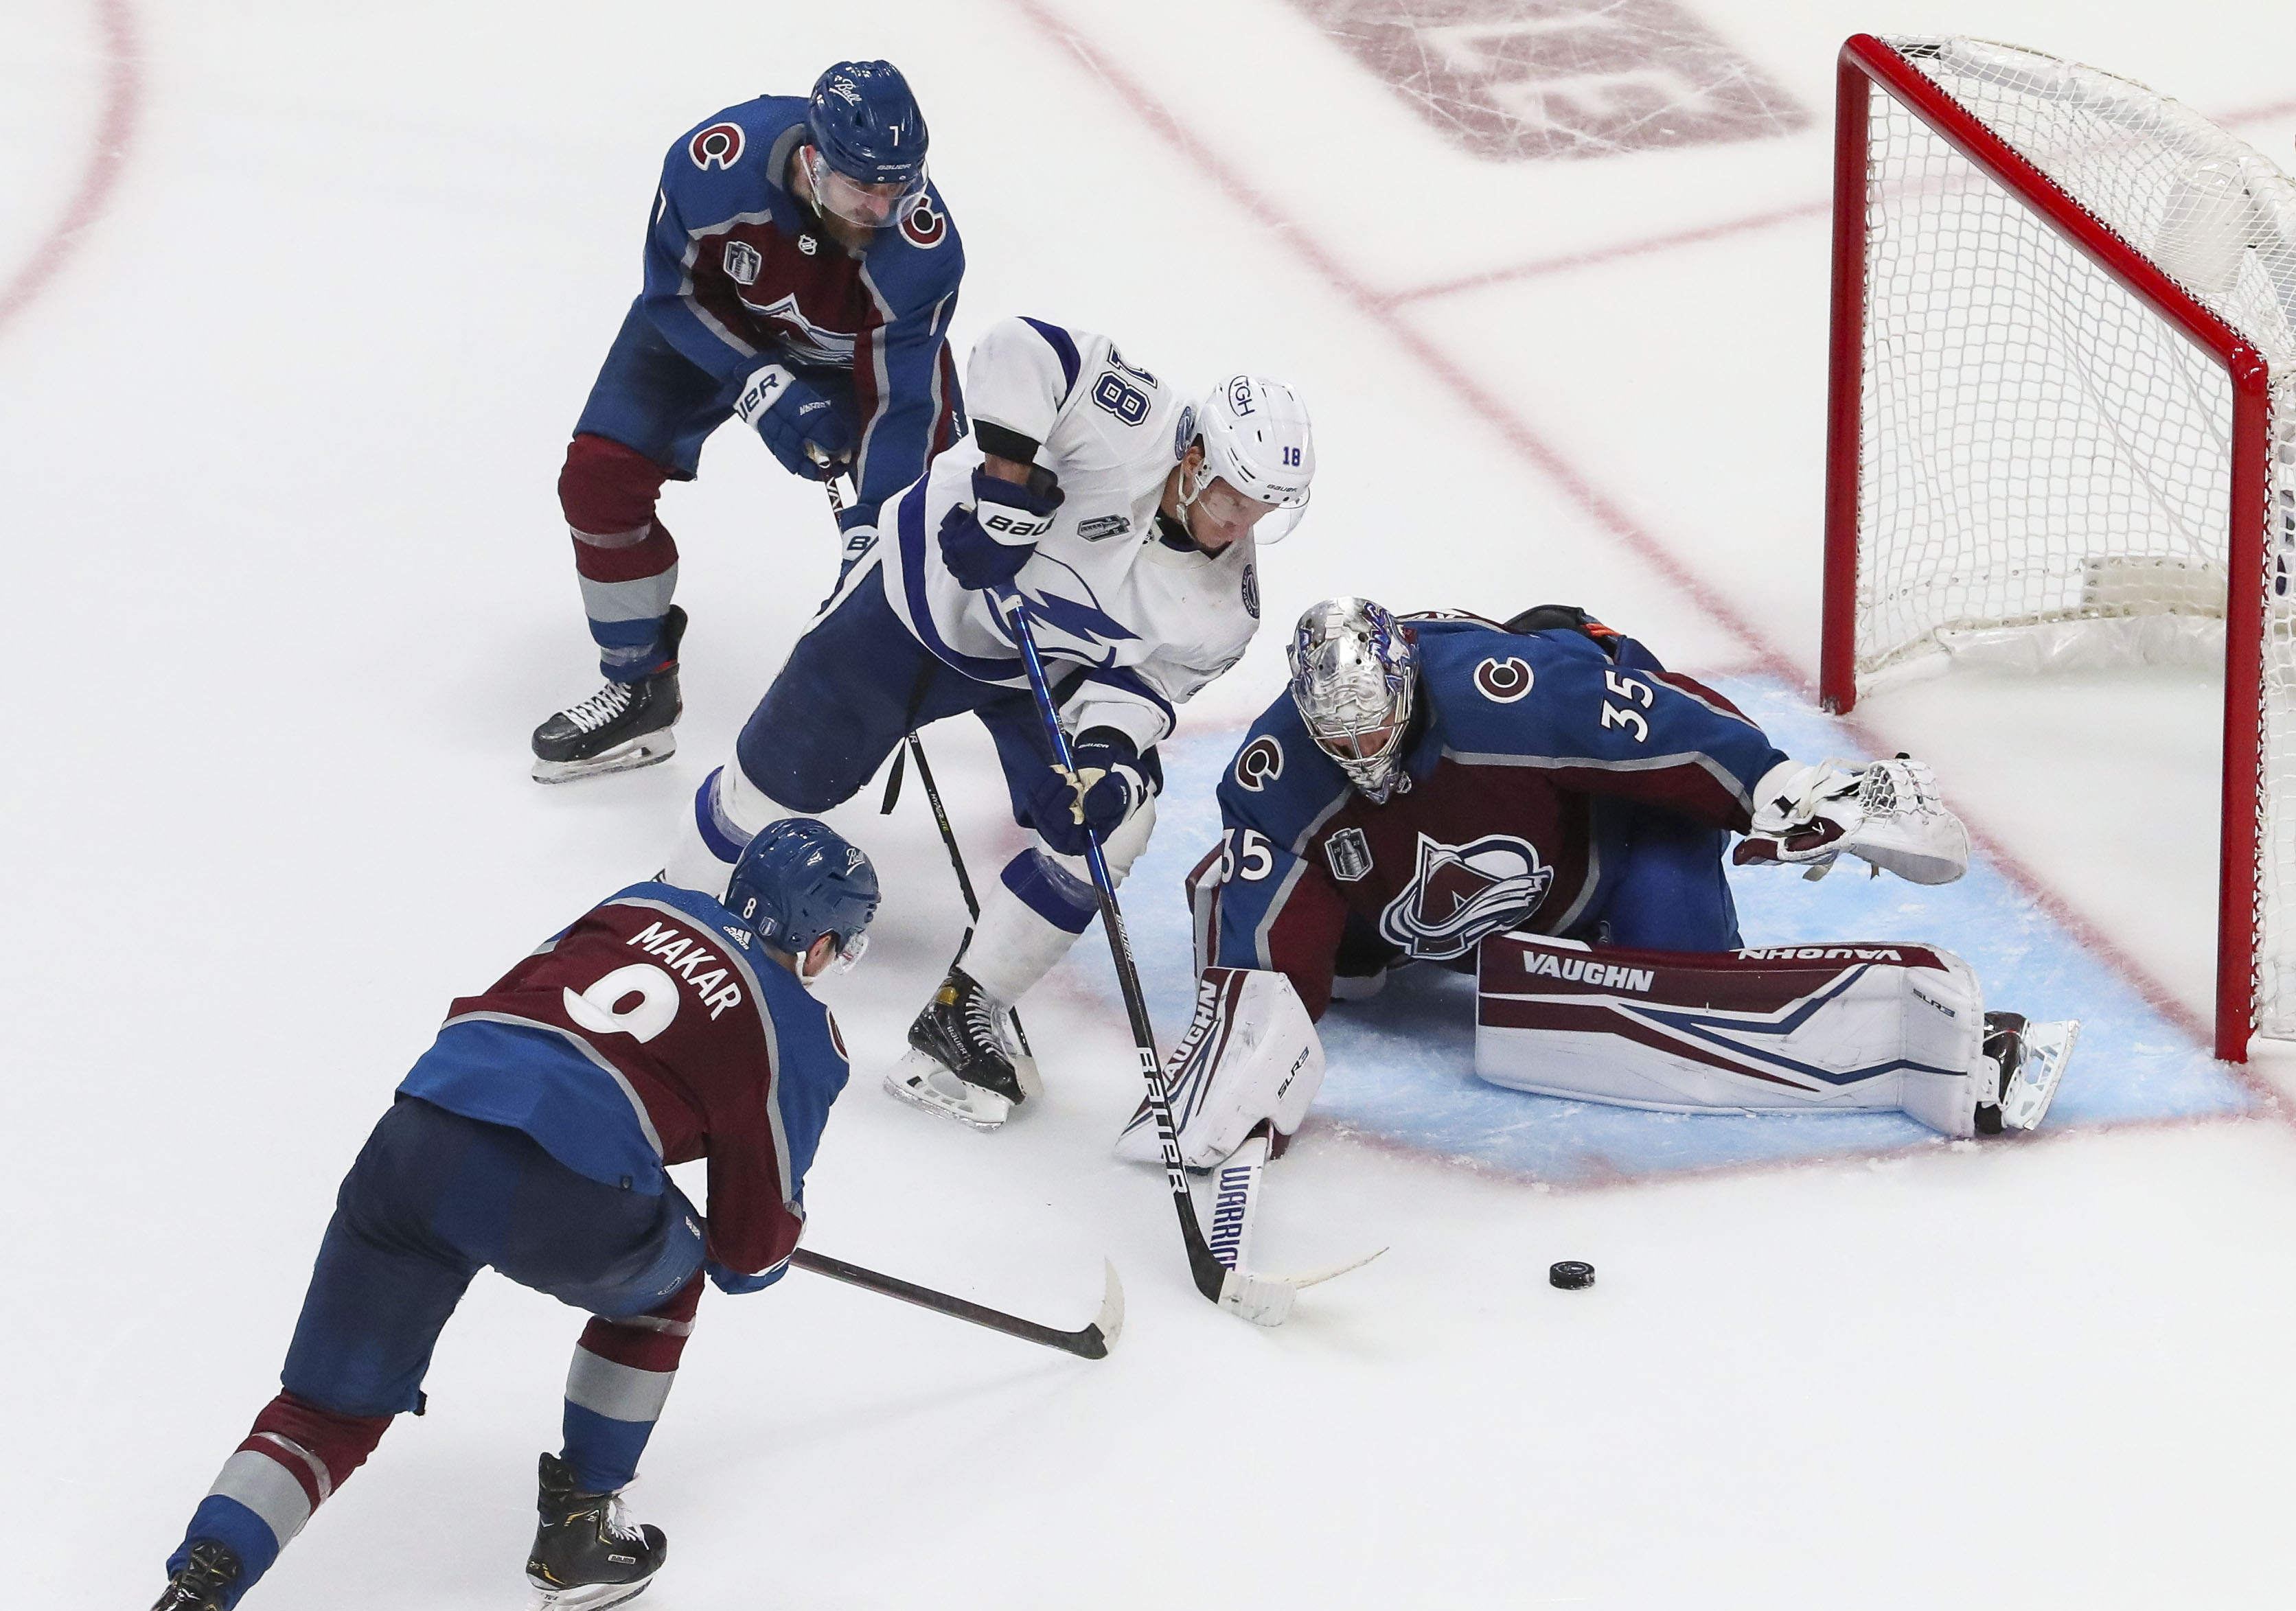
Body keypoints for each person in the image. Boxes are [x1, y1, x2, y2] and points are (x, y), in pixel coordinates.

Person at [101, 822, 880, 1611]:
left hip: (421, 1130)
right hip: (566, 1192)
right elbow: (749, 1257)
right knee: (664, 1285)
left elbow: (539, 1009)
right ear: (824, 940)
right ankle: (581, 1527)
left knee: (322, 1410)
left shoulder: (636, 899)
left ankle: (196, 1590)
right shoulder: (796, 1021)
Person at [661, 314, 1316, 1132]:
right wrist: (1006, 488)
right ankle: (667, 926)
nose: (1238, 524)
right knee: (768, 789)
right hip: (908, 604)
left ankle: (961, 1014)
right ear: (1192, 458)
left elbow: (1145, 683)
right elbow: (1018, 349)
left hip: (1035, 671)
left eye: (1262, 511)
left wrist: (1105, 757)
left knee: (1110, 822)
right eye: (1231, 497)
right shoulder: (1131, 423)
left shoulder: (1228, 610)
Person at [1137, 598, 2075, 1157]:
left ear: (1408, 682)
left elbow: (1667, 725)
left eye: (1374, 727)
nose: (1361, 751)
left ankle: (1700, 958)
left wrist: (1779, 789)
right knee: (1297, 952)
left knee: (1685, 957)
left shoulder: (1510, 690)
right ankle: (1366, 950)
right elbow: (1259, 967)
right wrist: (1244, 1079)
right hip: (1418, 915)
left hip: (1601, 857)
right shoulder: (1279, 770)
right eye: (1337, 737)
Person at [531, 60, 966, 783]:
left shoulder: (921, 253)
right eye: (861, 189)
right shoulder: (712, 164)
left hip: (859, 365)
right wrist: (756, 381)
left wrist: (872, 518)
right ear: (811, 159)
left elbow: (905, 404)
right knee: (597, 479)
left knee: (919, 538)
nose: (880, 212)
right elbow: (670, 295)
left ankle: (914, 707)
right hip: (714, 329)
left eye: (898, 190)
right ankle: (638, 684)